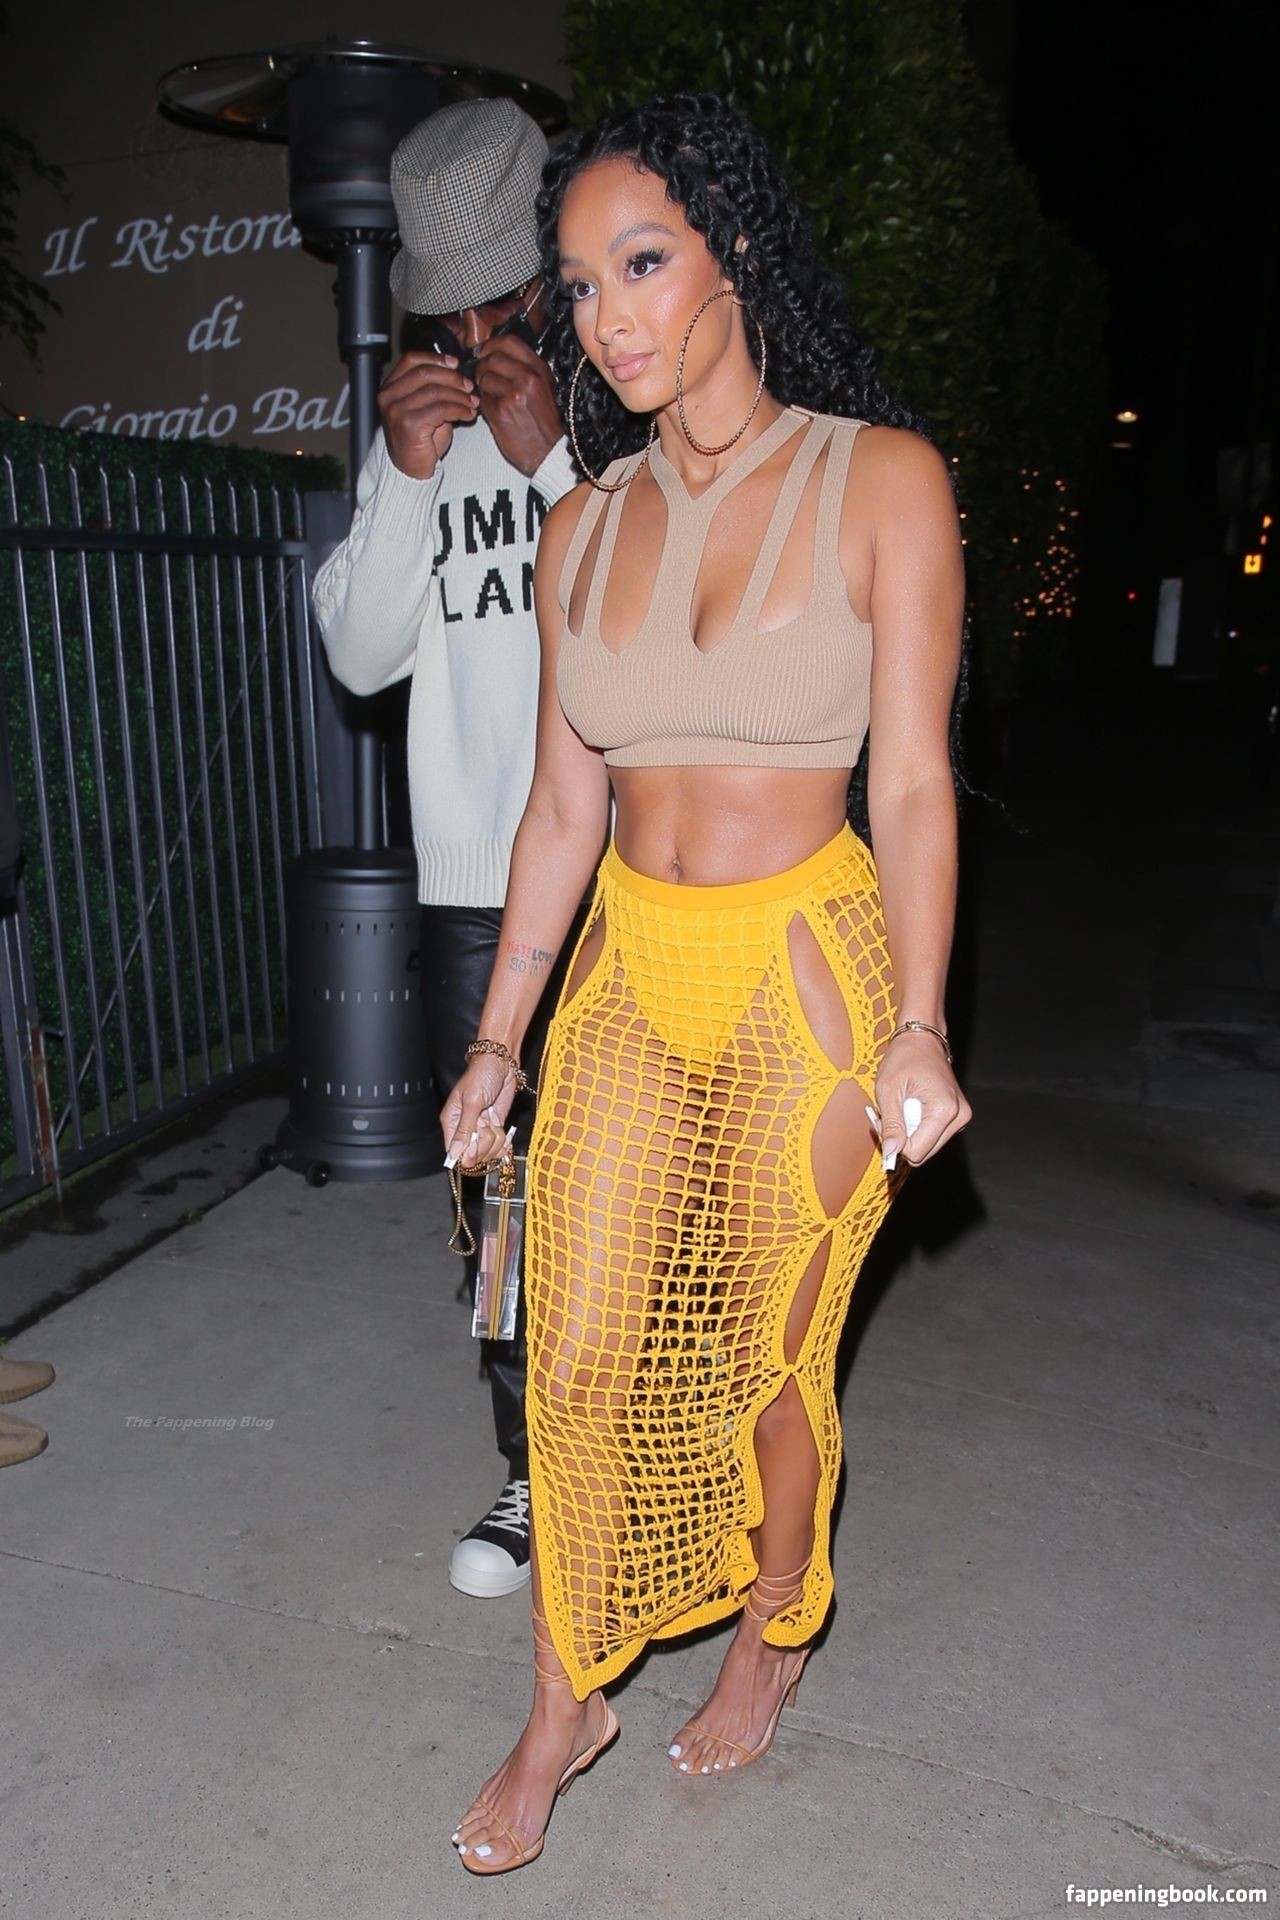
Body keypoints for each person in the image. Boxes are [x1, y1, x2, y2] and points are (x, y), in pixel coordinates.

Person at [440, 91, 972, 1874]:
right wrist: (498, 1037)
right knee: (575, 1350)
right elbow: (559, 812)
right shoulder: (578, 528)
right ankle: (563, 1700)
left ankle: (775, 1621)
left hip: (808, 966)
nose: (610, 318)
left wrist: (920, 1019)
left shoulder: (883, 481)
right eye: (581, 284)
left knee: (766, 1355)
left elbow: (913, 781)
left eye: (645, 263)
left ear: (734, 251)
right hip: (628, 971)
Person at [313, 97, 580, 1600]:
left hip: (635, 880)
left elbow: (661, 635)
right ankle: (531, 1473)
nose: (478, 336)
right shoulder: (415, 433)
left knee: (649, 1196)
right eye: (452, 311)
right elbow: (359, 656)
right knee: (502, 1212)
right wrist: (407, 475)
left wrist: (554, 474)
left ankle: (645, 1458)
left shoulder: (608, 409)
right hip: (476, 895)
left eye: (505, 301)